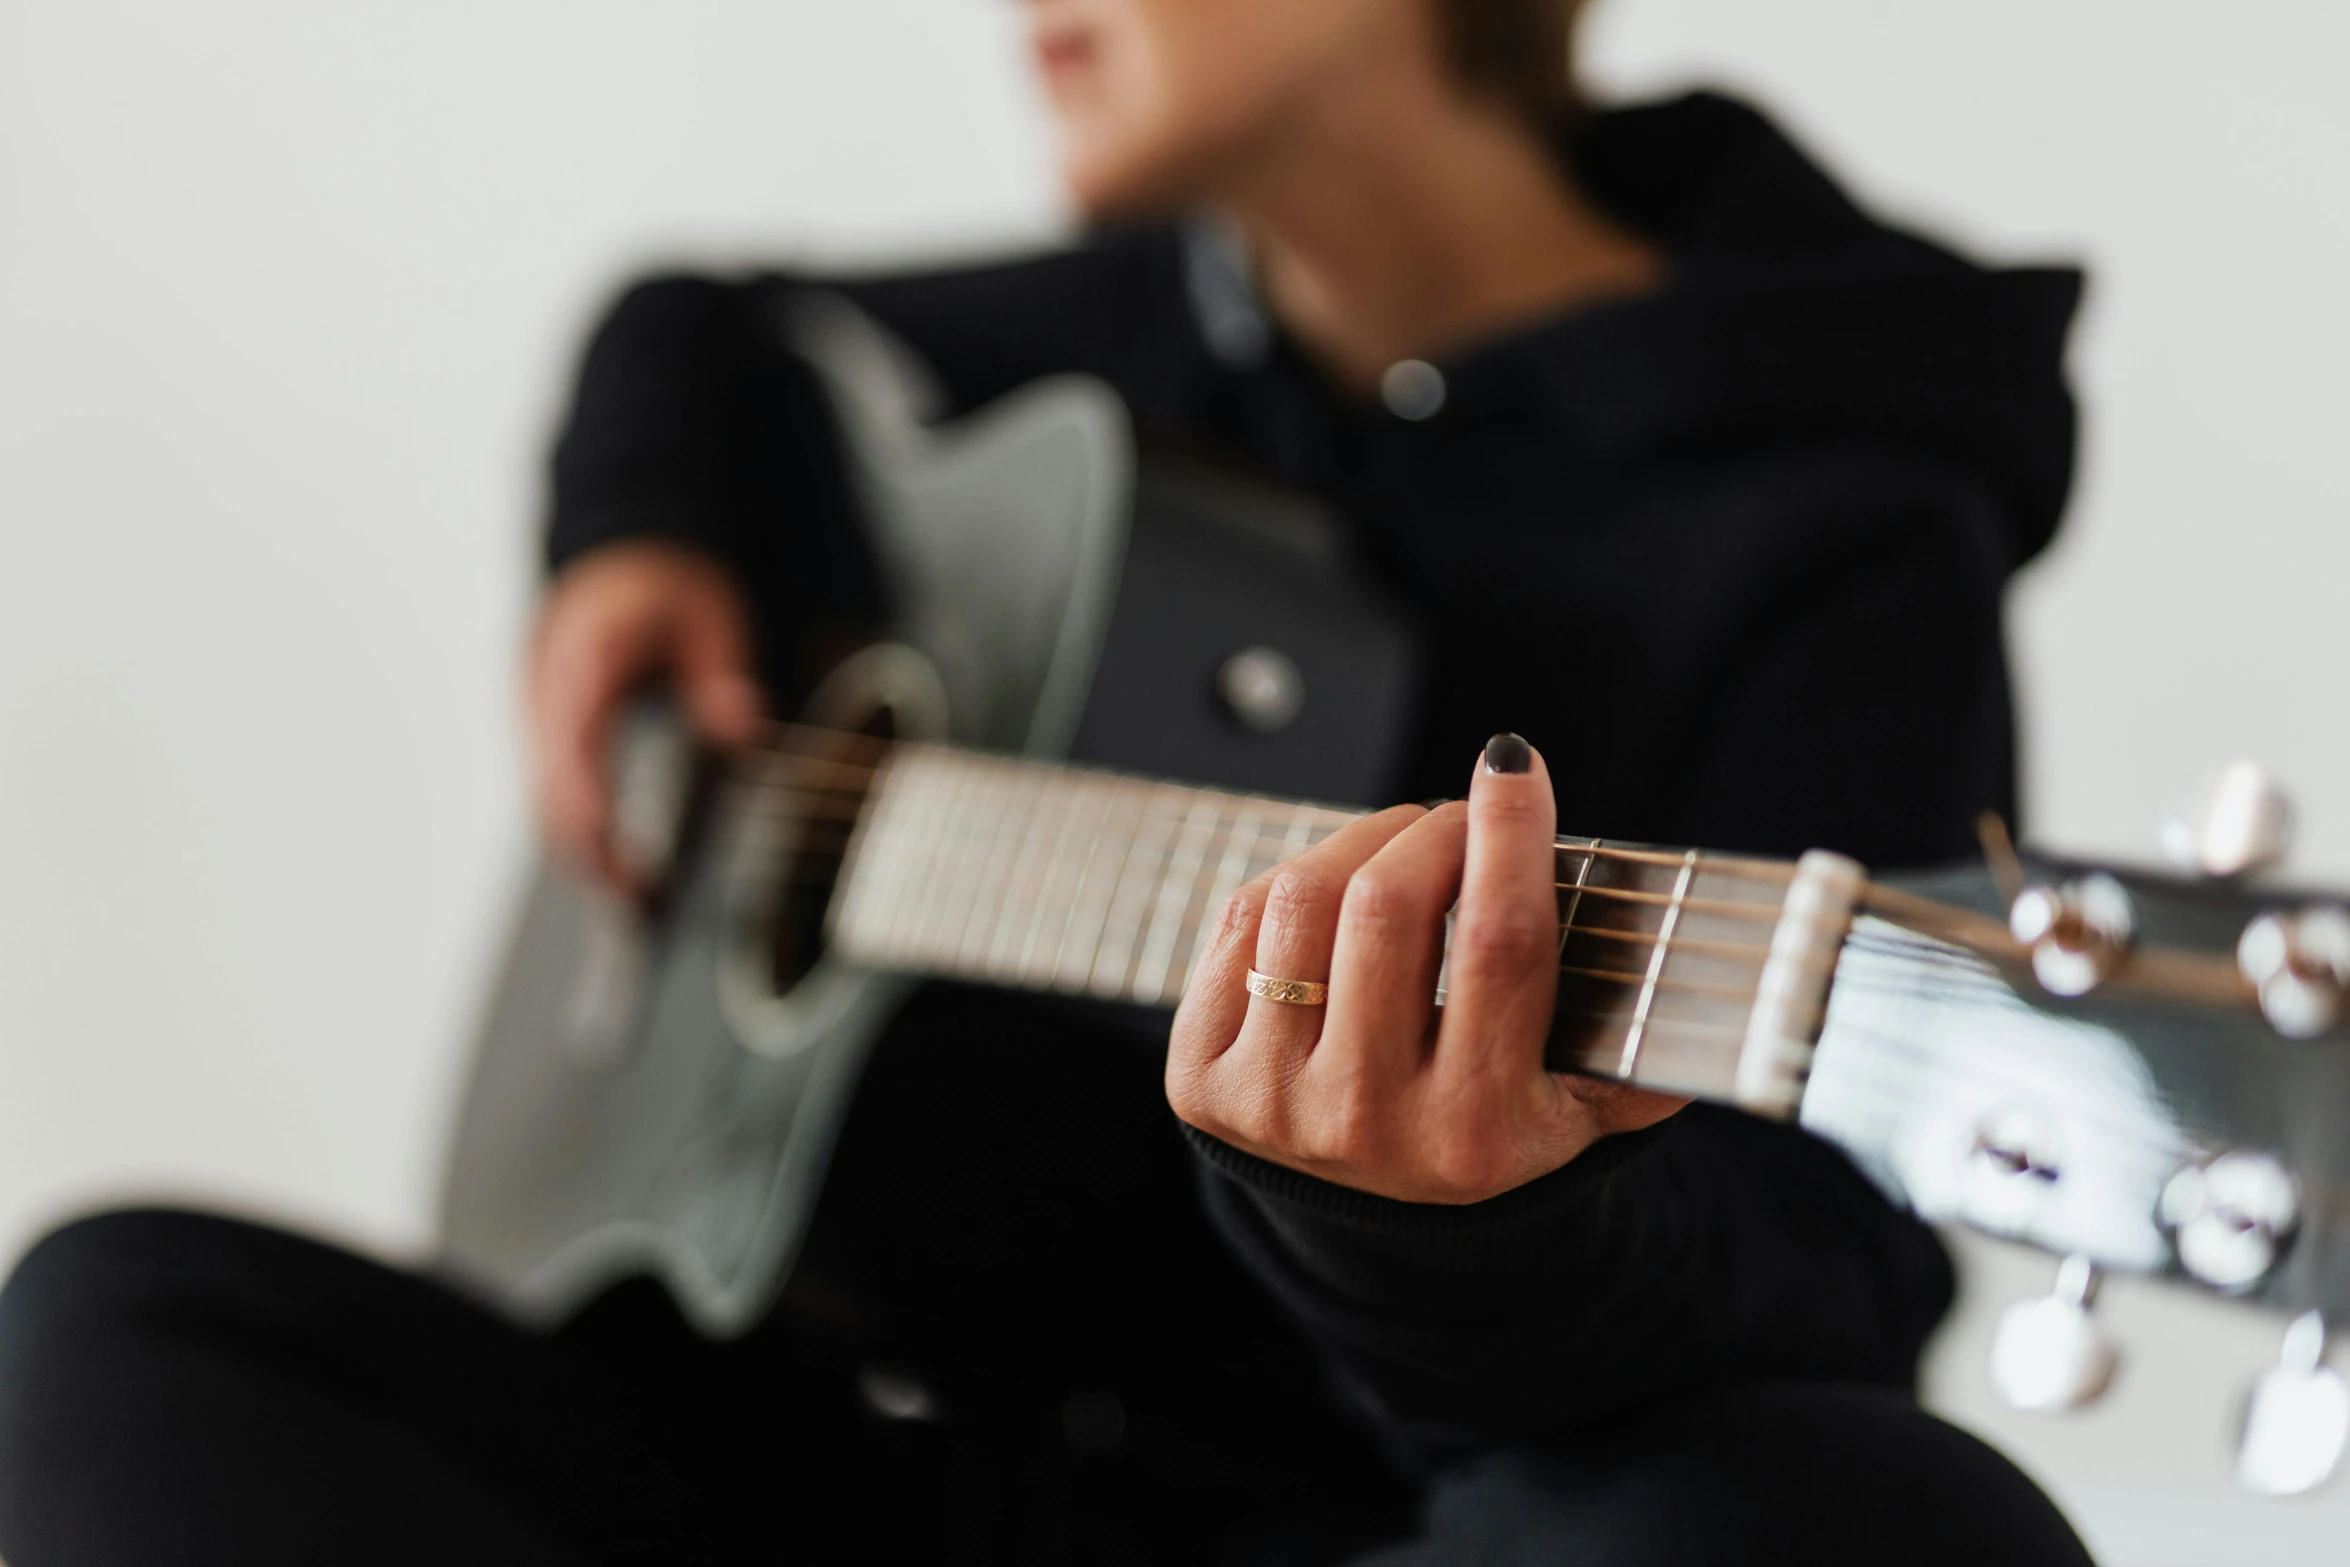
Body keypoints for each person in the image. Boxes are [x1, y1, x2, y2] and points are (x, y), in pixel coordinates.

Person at [0, 0, 2095, 1562]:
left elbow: (1830, 1274)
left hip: (1316, 1513)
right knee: (124, 1317)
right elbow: (704, 326)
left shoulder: (1831, 521)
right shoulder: (1113, 330)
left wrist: (1455, 1228)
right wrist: (633, 536)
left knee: (1865, 1528)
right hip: (830, 1451)